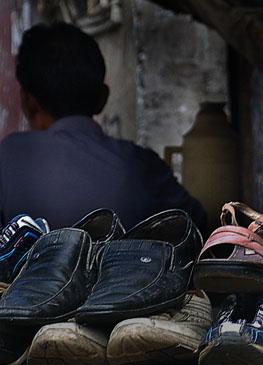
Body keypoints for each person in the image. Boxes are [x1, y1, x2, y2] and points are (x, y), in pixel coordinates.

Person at [0, 21, 206, 231]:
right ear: (103, 99)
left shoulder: (9, 156)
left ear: (27, 101)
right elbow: (199, 227)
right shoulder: (142, 166)